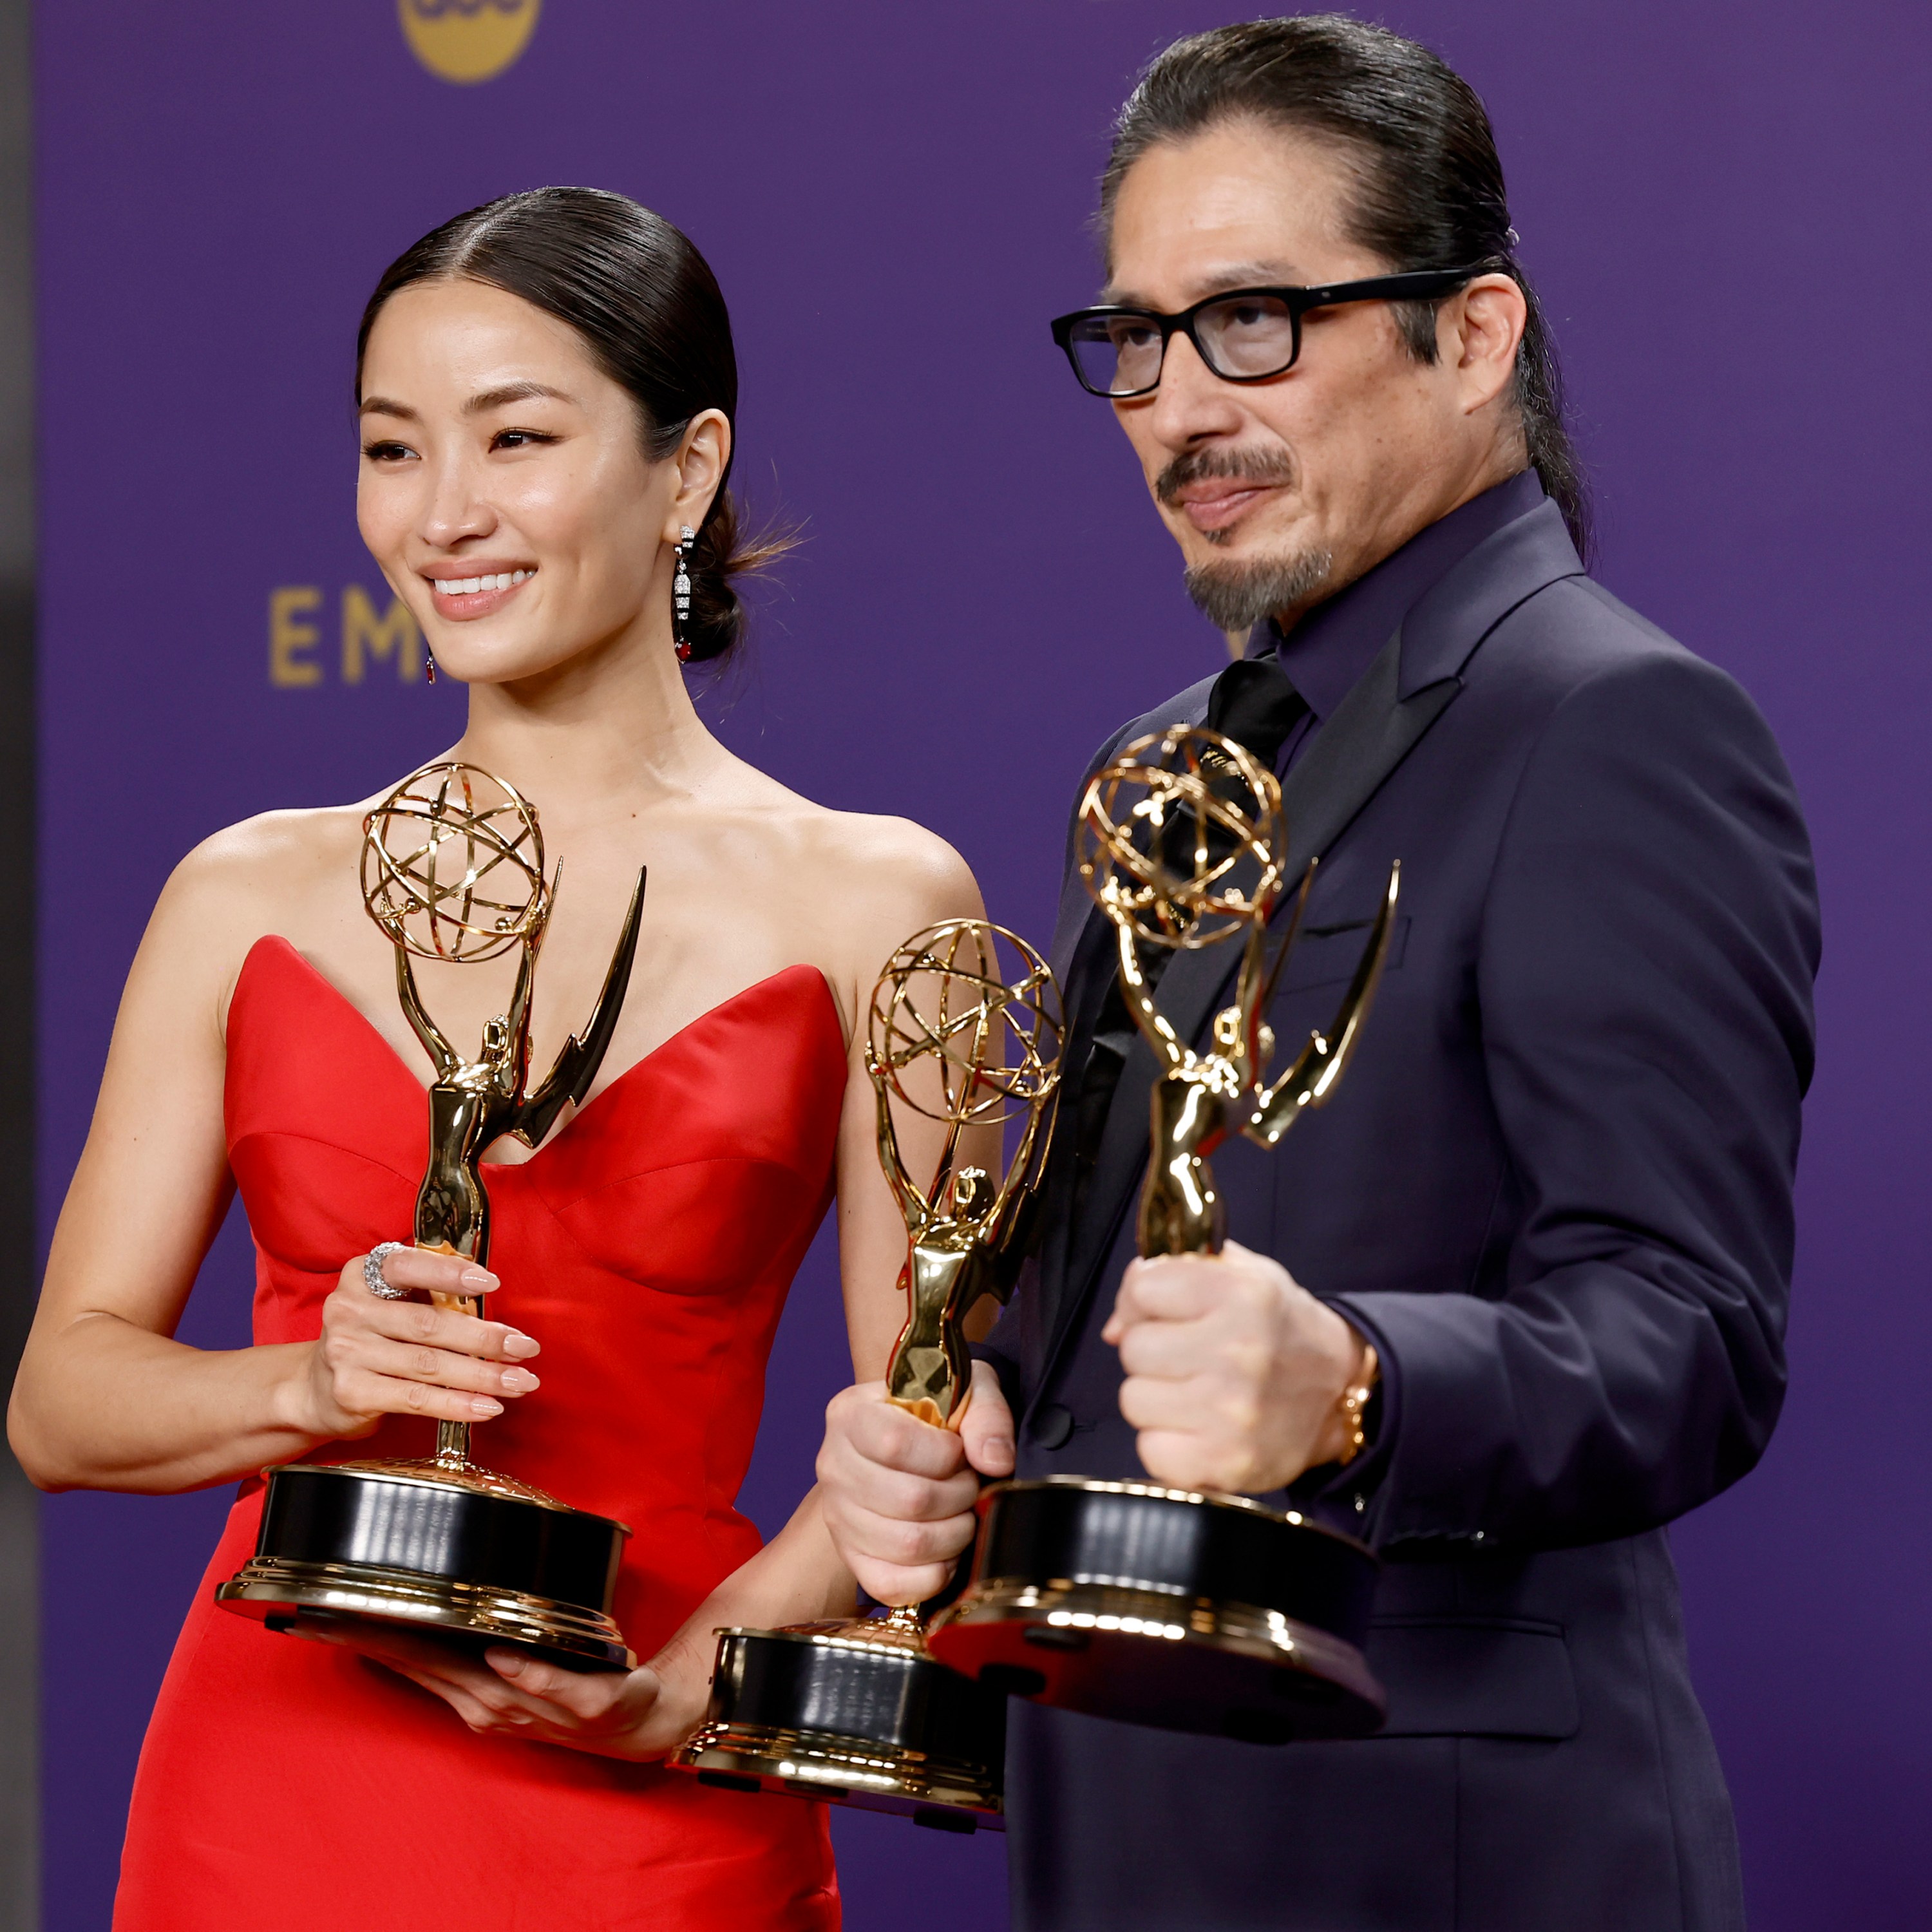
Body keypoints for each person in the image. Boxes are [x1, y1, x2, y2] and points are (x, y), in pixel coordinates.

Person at [813, 18, 1819, 1931]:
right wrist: (946, 1433)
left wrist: (1353, 1380)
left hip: (1434, 1855)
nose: (1185, 406)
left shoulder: (1616, 724)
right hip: (1117, 1823)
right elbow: (1105, 1299)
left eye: (1257, 319)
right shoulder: (1167, 761)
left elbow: (1691, 1338)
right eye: (1139, 339)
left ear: (1475, 334)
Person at [6, 187, 987, 1931]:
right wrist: (311, 1382)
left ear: (684, 473)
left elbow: (925, 1412)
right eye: (393, 449)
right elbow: (62, 1404)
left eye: (515, 439)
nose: (441, 514)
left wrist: (691, 1688)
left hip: (663, 1772)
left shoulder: (882, 901)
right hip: (271, 1795)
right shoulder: (245, 892)